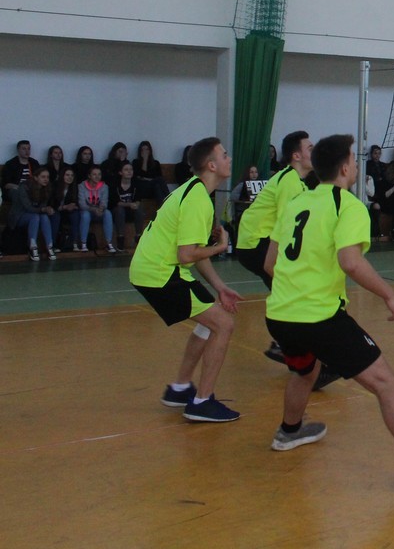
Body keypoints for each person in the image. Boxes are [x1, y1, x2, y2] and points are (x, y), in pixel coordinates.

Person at [262, 133, 394, 492]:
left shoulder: (296, 202)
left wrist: (299, 288)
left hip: (279, 316)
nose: (356, 164)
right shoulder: (348, 205)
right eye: (353, 159)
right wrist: (390, 295)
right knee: (386, 384)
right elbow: (351, 262)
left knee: (305, 370)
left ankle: (289, 432)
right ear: (344, 168)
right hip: (319, 318)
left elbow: (270, 264)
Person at [128, 137, 243, 422]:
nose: (229, 159)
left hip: (154, 269)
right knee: (223, 324)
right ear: (212, 165)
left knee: (208, 323)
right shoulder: (197, 200)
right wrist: (221, 246)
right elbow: (187, 254)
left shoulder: (194, 191)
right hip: (160, 273)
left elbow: (193, 253)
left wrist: (220, 287)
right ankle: (202, 402)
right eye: (224, 155)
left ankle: (180, 388)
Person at [237, 131, 325, 375]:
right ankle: (291, 347)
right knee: (292, 290)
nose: (314, 152)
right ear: (296, 156)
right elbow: (290, 225)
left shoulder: (299, 182)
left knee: (288, 292)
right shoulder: (289, 181)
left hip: (257, 242)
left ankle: (290, 347)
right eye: (310, 148)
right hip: (256, 243)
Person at [9, 167, 57, 261]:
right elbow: (28, 207)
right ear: (35, 178)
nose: (46, 179)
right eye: (43, 177)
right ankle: (33, 247)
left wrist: (47, 209)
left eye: (47, 177)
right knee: (35, 217)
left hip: (36, 214)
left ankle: (49, 245)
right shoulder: (24, 187)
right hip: (19, 216)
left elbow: (43, 206)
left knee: (44, 216)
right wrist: (43, 209)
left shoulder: (46, 188)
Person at [76, 166, 116, 253]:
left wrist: (101, 208)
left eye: (99, 174)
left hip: (98, 212)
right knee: (85, 215)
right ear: (89, 176)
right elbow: (82, 204)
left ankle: (109, 243)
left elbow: (104, 202)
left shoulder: (104, 186)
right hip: (86, 211)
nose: (97, 176)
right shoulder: (81, 186)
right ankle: (83, 243)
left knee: (107, 213)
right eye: (94, 174)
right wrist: (94, 209)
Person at [111, 162, 148, 250]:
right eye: (126, 170)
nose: (129, 172)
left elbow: (138, 199)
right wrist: (129, 204)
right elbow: (115, 202)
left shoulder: (136, 183)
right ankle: (120, 238)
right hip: (118, 211)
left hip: (131, 210)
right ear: (120, 172)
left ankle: (138, 236)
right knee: (119, 210)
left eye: (131, 169)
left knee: (139, 209)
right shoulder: (115, 184)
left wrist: (136, 204)